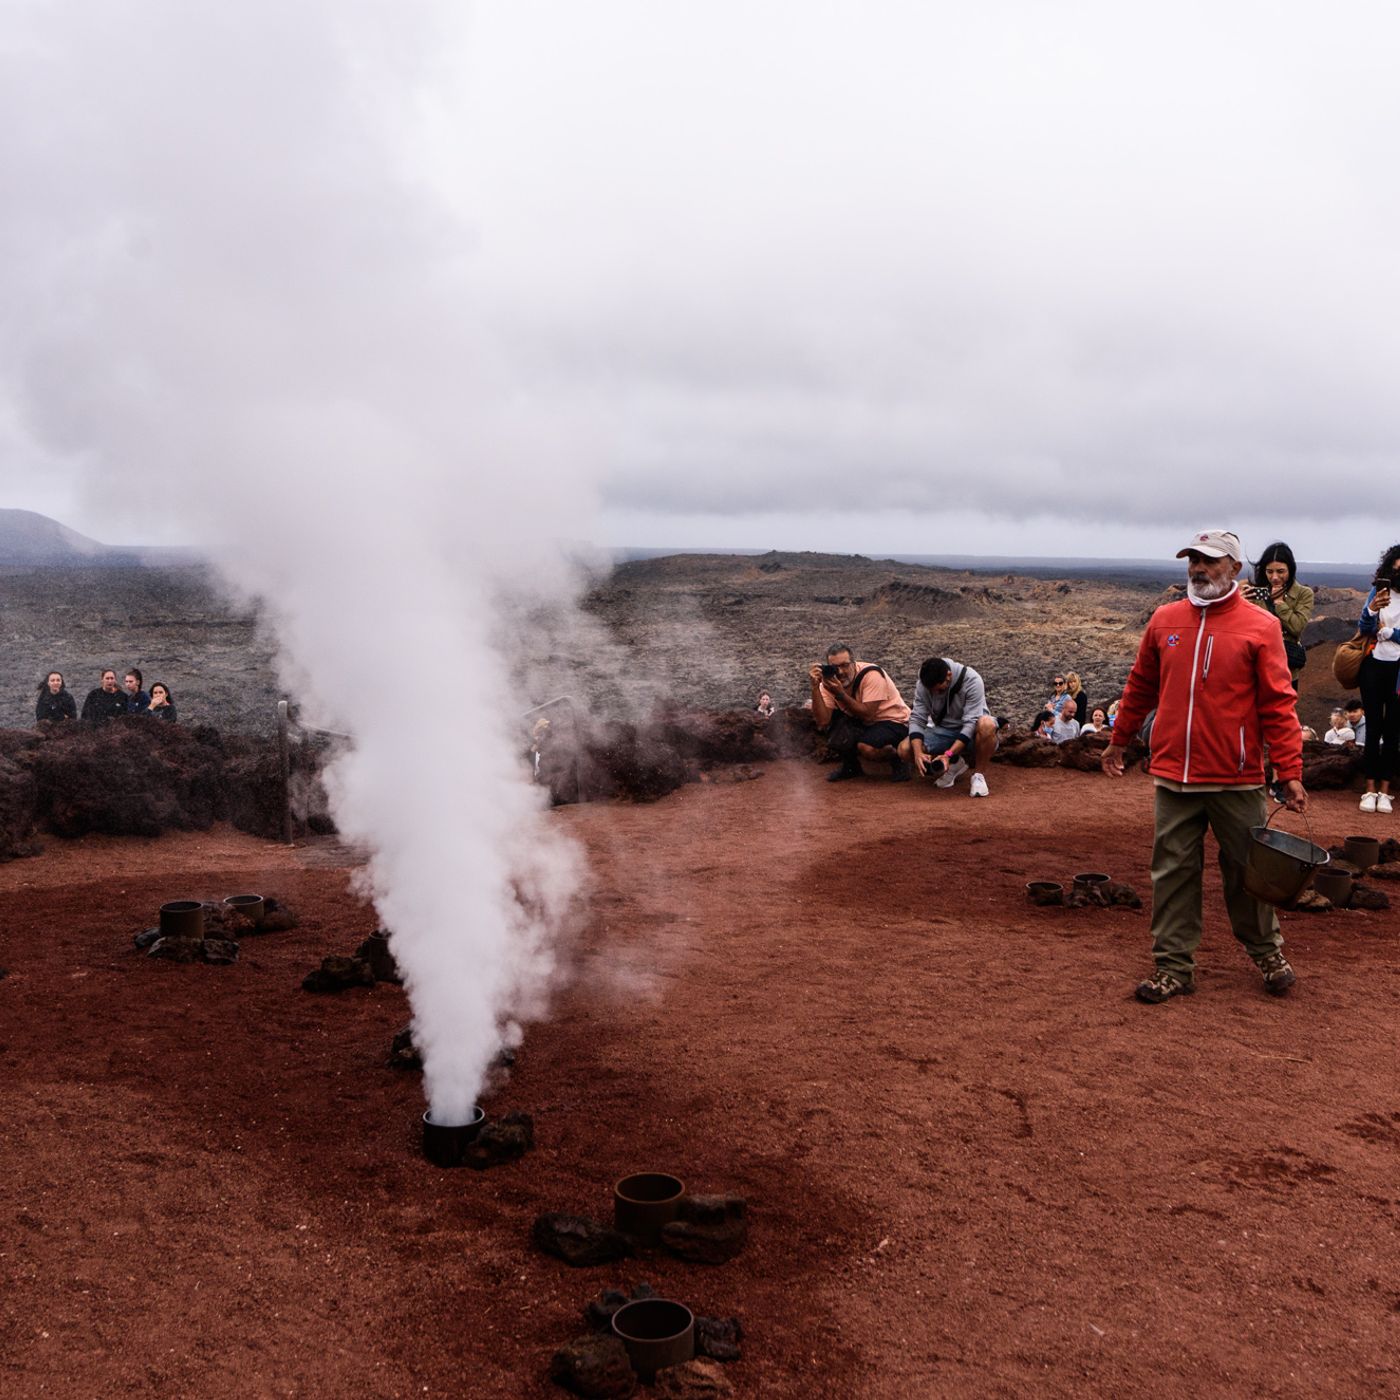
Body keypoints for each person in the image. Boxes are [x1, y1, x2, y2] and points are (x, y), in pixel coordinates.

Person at [1102, 529, 1307, 1004]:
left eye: (1210, 562)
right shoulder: (1164, 620)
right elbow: (1139, 686)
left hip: (1236, 776)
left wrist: (1289, 770)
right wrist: (1119, 740)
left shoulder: (1260, 626)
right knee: (1172, 870)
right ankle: (1173, 967)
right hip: (1174, 773)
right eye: (1193, 560)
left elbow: (1279, 703)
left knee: (1247, 870)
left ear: (1235, 569)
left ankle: (1267, 951)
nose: (1198, 569)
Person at [808, 643, 911, 782]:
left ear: (853, 663)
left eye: (845, 665)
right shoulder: (829, 683)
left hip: (893, 720)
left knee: (867, 747)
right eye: (835, 667)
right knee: (837, 730)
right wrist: (815, 688)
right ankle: (851, 766)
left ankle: (898, 759)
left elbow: (868, 714)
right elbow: (823, 721)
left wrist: (840, 694)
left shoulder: (871, 675)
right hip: (865, 722)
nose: (841, 672)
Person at [897, 655, 998, 797]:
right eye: (931, 691)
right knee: (905, 749)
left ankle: (978, 776)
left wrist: (947, 754)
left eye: (939, 690)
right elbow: (917, 718)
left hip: (972, 733)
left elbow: (970, 724)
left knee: (987, 724)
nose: (935, 694)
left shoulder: (973, 680)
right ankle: (952, 764)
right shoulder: (924, 683)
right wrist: (918, 752)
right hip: (944, 731)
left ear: (949, 676)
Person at [1357, 544, 1400, 814]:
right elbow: (1363, 628)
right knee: (1373, 728)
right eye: (1395, 569)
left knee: (1393, 730)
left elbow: (1388, 633)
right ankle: (1369, 788)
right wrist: (1372, 611)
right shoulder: (1378, 592)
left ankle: (1385, 791)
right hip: (1373, 666)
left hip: (1398, 671)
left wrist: (1390, 633)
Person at [1244, 541, 1314, 686]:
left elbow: (1297, 627)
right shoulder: (1255, 592)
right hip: (1256, 665)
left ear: (1291, 569)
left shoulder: (1303, 594)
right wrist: (1240, 604)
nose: (1275, 577)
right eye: (1269, 572)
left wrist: (1280, 604)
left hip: (1286, 668)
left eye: (1280, 571)